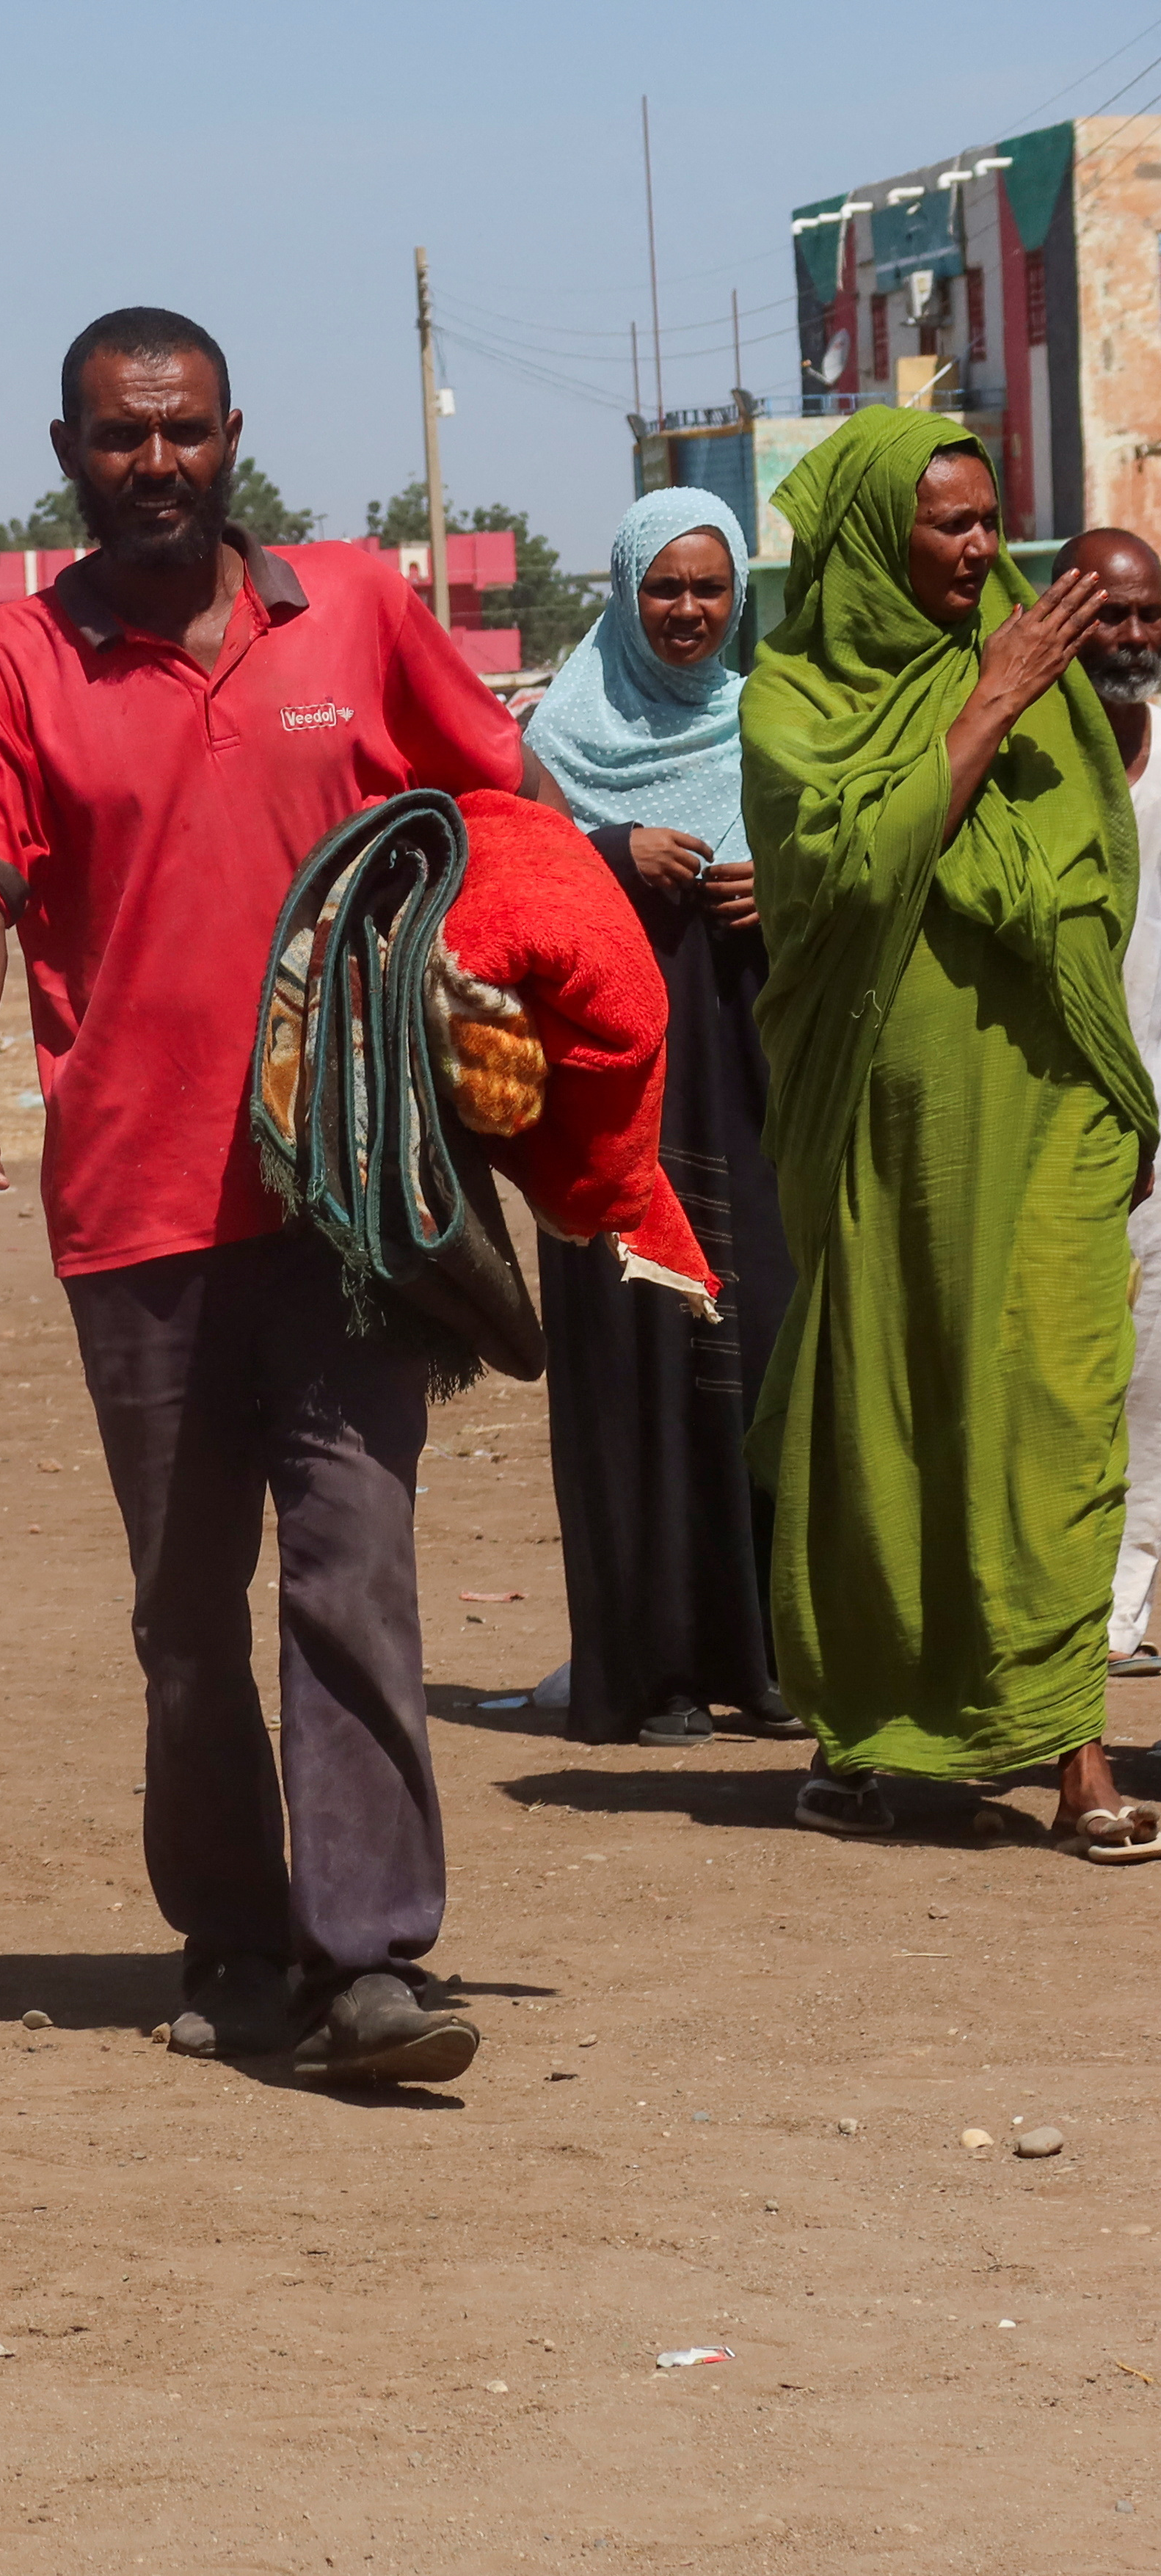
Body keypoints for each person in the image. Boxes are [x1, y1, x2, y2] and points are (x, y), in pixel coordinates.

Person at [0, 305, 564, 2082]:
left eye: (183, 431)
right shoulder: (13, 661)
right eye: (118, 437)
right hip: (134, 1207)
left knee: (351, 1565)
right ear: (65, 456)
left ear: (230, 438)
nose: (154, 465)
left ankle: (368, 1959)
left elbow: (505, 807)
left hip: (351, 1200)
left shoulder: (349, 607)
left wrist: (533, 1011)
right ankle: (228, 1925)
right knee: (183, 1610)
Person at [747, 418, 1160, 1859]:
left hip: (1048, 1117)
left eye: (992, 522)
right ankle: (864, 1734)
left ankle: (1078, 1760)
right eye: (954, 529)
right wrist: (987, 703)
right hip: (882, 1126)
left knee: (1055, 1409)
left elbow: (1097, 871)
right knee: (889, 1416)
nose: (986, 552)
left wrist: (1109, 1068)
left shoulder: (1033, 661)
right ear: (876, 535)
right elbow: (848, 874)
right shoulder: (791, 699)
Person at [523, 487, 796, 1750]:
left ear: (737, 595)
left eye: (707, 588)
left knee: (756, 1354)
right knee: (631, 1370)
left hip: (747, 1089)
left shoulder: (773, 728)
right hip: (606, 1102)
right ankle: (644, 1666)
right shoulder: (556, 734)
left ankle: (770, 1655)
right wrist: (607, 848)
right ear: (623, 591)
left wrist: (778, 888)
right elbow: (497, 887)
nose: (686, 611)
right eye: (662, 588)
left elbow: (847, 878)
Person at [1072, 531, 1161, 1674]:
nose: (1133, 640)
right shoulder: (1025, 766)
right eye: (1109, 616)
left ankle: (1128, 1598)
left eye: (1148, 616)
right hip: (1069, 1121)